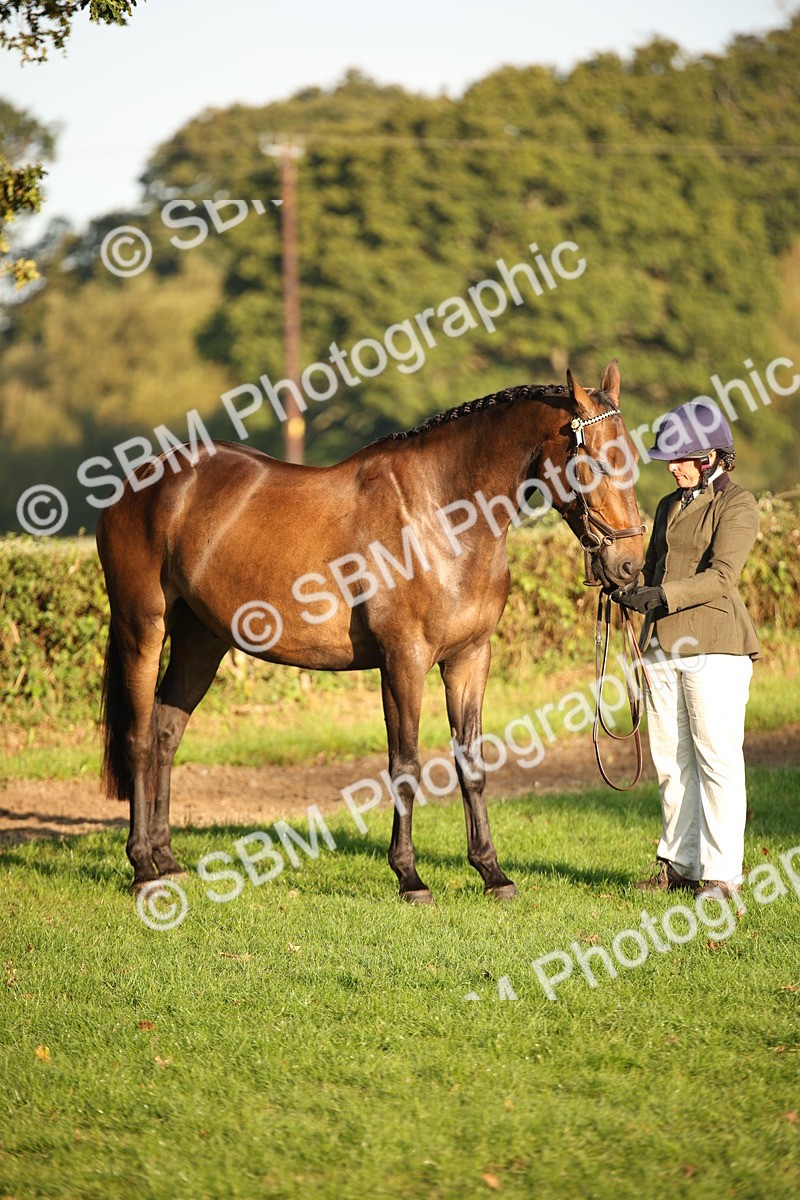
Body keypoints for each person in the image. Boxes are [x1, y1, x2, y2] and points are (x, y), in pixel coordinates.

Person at [614, 398, 760, 902]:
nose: (670, 466)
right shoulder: (667, 505)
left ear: (710, 457)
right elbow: (654, 565)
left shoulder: (737, 504)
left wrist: (664, 596)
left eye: (678, 458)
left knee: (715, 760)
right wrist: (629, 591)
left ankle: (723, 877)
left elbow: (722, 577)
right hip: (662, 645)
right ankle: (680, 861)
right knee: (672, 760)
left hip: (715, 645)